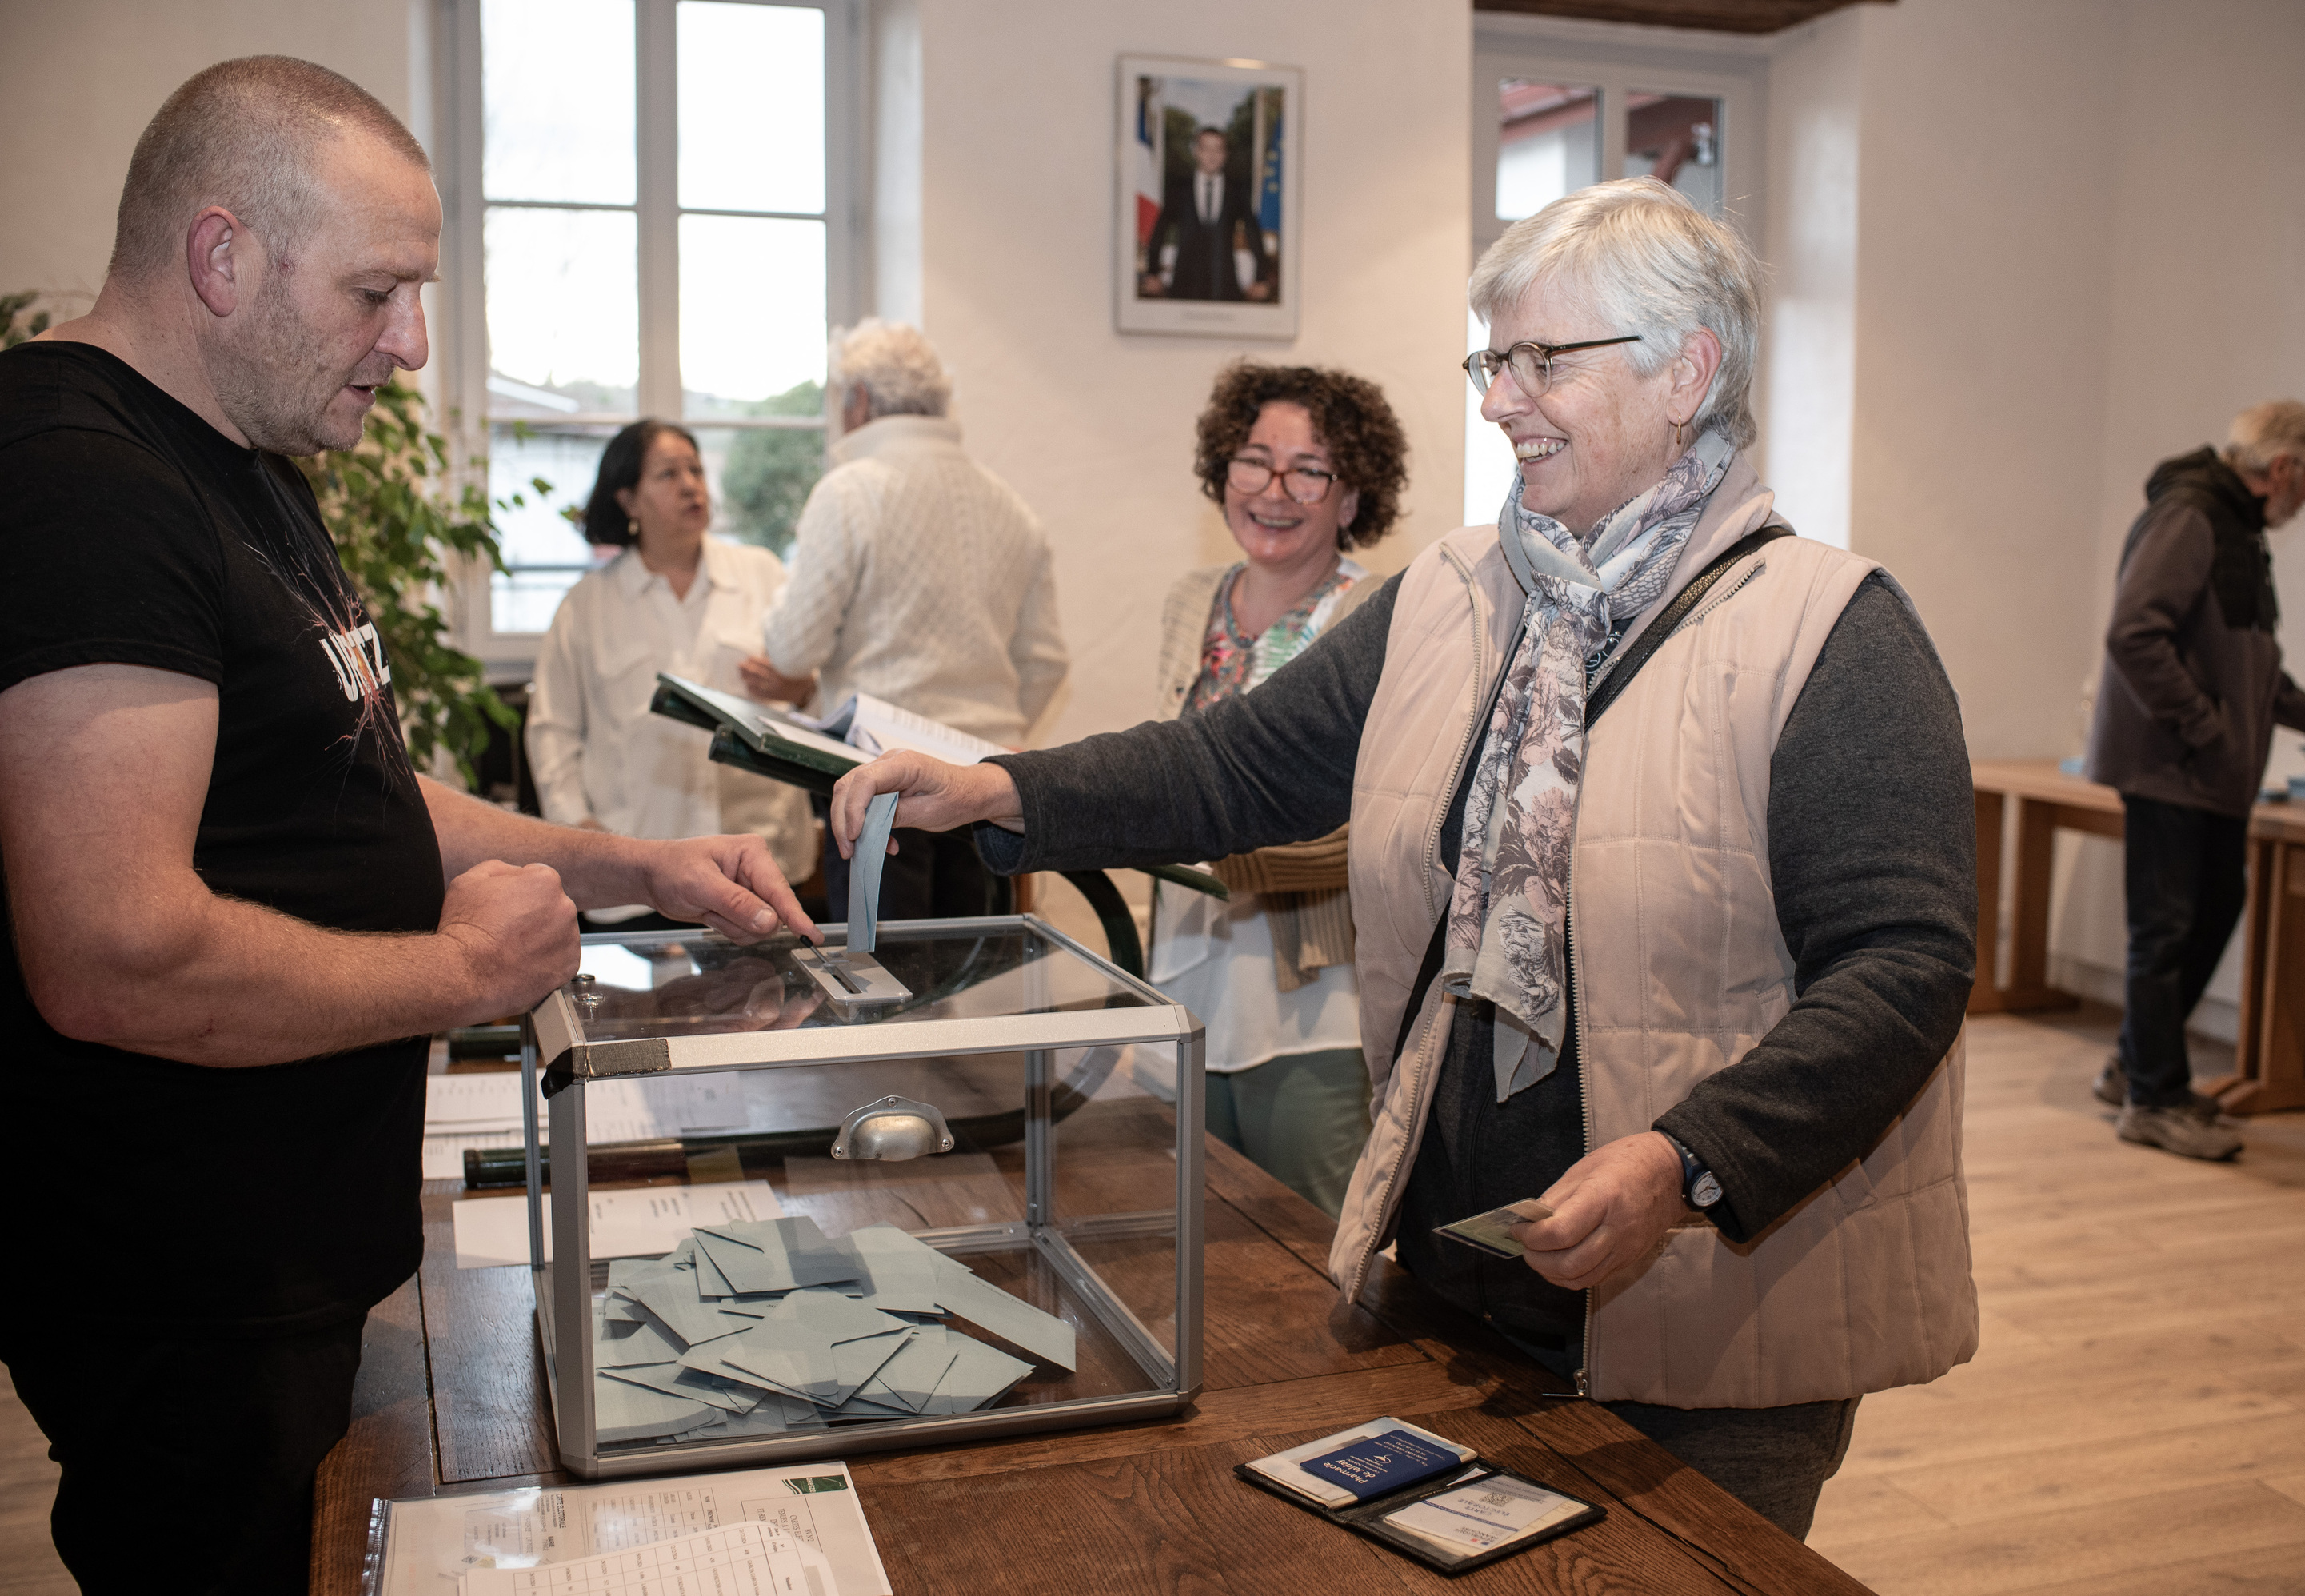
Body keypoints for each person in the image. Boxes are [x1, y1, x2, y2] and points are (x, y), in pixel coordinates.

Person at [828, 178, 1980, 1539]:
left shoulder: (1834, 629)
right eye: (1495, 359)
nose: (1499, 399)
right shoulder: (1459, 591)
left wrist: (1688, 1160)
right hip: (1458, 1277)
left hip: (1709, 1321)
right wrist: (998, 790)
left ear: (1691, 371)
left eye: (1545, 359)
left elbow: (1904, 966)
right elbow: (1234, 766)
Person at [0, 58, 812, 1594]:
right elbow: (110, 952)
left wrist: (632, 866)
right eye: (380, 290)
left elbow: (355, 788)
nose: (412, 341)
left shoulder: (241, 454)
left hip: (283, 1260)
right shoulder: (84, 489)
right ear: (222, 256)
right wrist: (460, 975)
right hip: (182, 1290)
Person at [2084, 401, 2305, 1160]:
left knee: (2215, 909)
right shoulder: (2191, 518)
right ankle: (2151, 1098)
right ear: (2282, 467)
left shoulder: (2240, 534)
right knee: (2167, 931)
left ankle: (2138, 1065)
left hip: (2207, 776)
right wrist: (2209, 729)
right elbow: (2133, 633)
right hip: (2171, 770)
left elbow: (2258, 674)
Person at [1149, 361, 1408, 1216]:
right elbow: (1164, 757)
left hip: (1311, 1002)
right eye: (1254, 460)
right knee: (1201, 1235)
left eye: (1309, 470)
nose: (1275, 488)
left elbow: (1380, 818)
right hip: (1186, 978)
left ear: (1351, 497)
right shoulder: (1194, 599)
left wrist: (1209, 846)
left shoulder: (1378, 616)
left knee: (1311, 1244)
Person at [754, 317, 1066, 920]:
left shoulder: (849, 492)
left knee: (883, 983)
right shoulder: (1009, 504)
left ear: (860, 400)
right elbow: (1046, 660)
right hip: (984, 776)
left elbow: (791, 648)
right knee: (973, 982)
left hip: (877, 781)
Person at [528, 417, 819, 929]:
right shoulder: (587, 606)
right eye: (668, 474)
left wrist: (804, 689)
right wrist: (579, 829)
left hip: (762, 863)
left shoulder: (763, 574)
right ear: (629, 500)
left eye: (696, 469)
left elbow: (820, 699)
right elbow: (552, 733)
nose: (691, 484)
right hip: (636, 879)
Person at [1141, 126, 1265, 301]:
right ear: (1196, 152)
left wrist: (1261, 279)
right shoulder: (1178, 191)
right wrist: (1152, 273)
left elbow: (1254, 234)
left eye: (1218, 149)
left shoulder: (1237, 192)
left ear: (1225, 154)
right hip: (1184, 286)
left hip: (1225, 286)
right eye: (1206, 149)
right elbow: (1159, 231)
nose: (1212, 156)